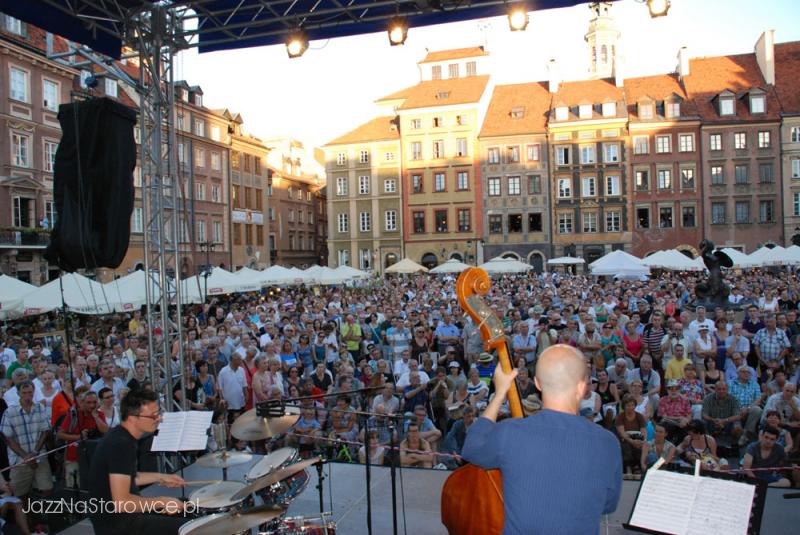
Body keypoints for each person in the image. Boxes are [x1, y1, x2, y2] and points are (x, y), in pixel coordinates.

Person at [462, 344, 621, 534]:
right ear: (581, 387)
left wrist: (499, 394)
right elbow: (608, 505)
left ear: (537, 383)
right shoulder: (608, 443)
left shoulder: (509, 432)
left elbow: (471, 448)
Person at [87, 389, 187, 534]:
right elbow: (122, 503)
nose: (159, 418)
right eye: (153, 416)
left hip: (121, 516)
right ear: (133, 418)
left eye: (158, 413)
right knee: (189, 528)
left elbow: (127, 476)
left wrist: (161, 477)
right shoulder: (121, 444)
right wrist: (162, 501)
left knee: (187, 506)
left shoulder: (121, 436)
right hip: (118, 524)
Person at [0, 381, 53, 501]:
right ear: (18, 394)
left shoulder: (40, 407)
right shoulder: (10, 412)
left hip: (40, 456)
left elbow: (45, 431)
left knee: (47, 489)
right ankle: (28, 517)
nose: (28, 395)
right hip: (19, 461)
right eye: (24, 393)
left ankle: (43, 514)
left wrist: (35, 452)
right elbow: (8, 439)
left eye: (30, 392)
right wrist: (26, 457)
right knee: (20, 495)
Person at [57, 390, 108, 488]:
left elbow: (105, 431)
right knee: (74, 486)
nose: (92, 405)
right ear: (82, 403)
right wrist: (77, 437)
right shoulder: (73, 415)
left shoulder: (99, 414)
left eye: (94, 402)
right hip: (74, 456)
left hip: (93, 456)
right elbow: (60, 434)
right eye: (88, 402)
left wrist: (96, 417)